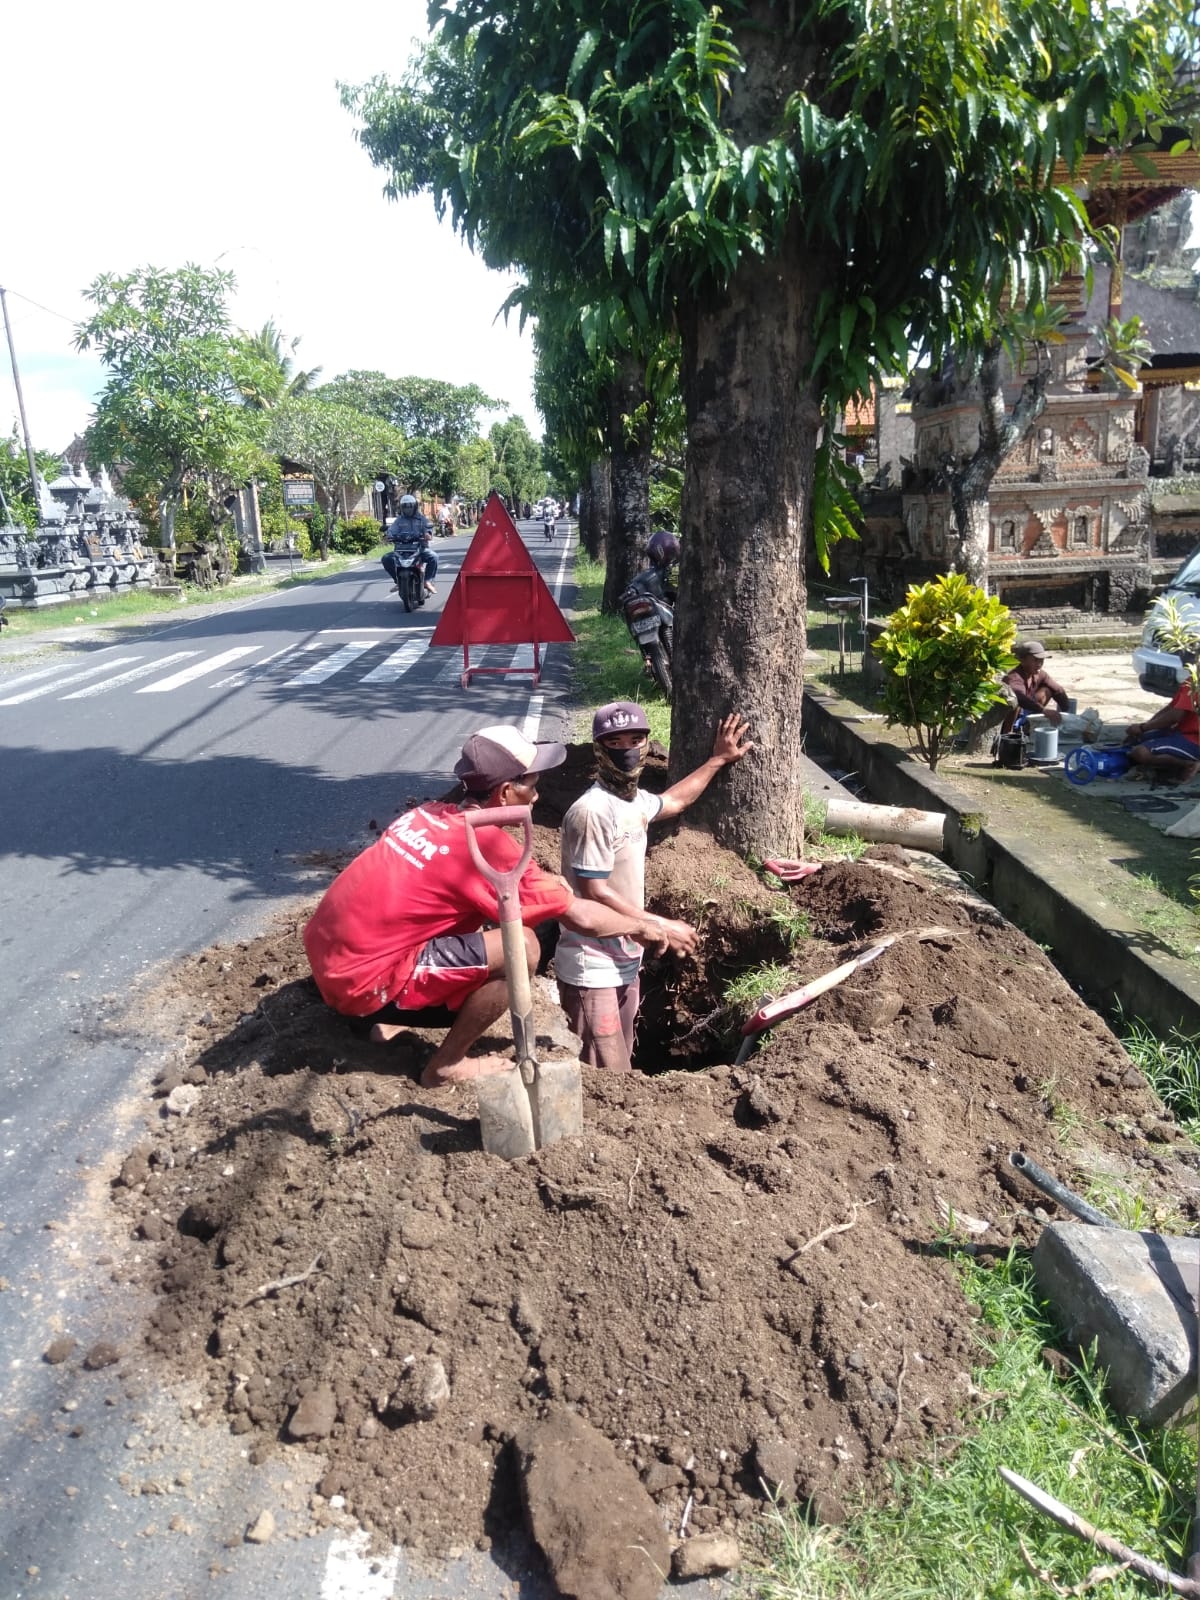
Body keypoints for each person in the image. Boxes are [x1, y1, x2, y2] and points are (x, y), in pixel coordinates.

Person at [303, 725, 698, 1087]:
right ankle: (445, 1065)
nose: (538, 792)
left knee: (465, 920)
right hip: (361, 984)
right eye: (531, 784)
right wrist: (649, 927)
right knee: (522, 947)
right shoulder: (487, 846)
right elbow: (579, 915)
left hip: (329, 959)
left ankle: (386, 1022)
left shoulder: (426, 816)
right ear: (506, 793)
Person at [556, 702, 753, 1073]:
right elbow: (594, 890)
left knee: (622, 1067)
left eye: (636, 739)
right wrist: (660, 926)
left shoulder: (632, 802)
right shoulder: (592, 812)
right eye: (615, 742)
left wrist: (718, 760)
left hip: (626, 960)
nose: (628, 749)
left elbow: (675, 800)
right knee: (607, 1077)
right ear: (599, 748)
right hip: (592, 966)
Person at [1125, 667, 1200, 783]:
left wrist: (1142, 728)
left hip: (1194, 740)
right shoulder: (1192, 681)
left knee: (1141, 752)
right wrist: (1144, 727)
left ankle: (1188, 765)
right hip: (1183, 733)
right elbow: (1171, 708)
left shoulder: (1194, 684)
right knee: (1135, 740)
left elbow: (1175, 716)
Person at [1001, 640, 1070, 731]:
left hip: (1026, 710)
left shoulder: (1040, 674)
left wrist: (1067, 714)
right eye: (1036, 660)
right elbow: (1020, 697)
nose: (1039, 664)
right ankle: (1008, 734)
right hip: (1009, 716)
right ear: (1022, 660)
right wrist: (1044, 710)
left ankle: (1028, 726)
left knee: (1047, 691)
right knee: (1015, 702)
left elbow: (1058, 690)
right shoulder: (1014, 677)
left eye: (1042, 660)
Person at [382, 494, 438, 596]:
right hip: (401, 550)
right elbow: (392, 531)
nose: (408, 509)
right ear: (402, 508)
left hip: (419, 549)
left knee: (434, 557)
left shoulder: (421, 519)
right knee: (386, 558)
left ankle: (427, 581)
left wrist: (427, 534)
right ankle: (398, 580)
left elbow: (428, 529)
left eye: (410, 506)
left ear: (415, 506)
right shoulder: (399, 520)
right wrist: (387, 536)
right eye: (405, 507)